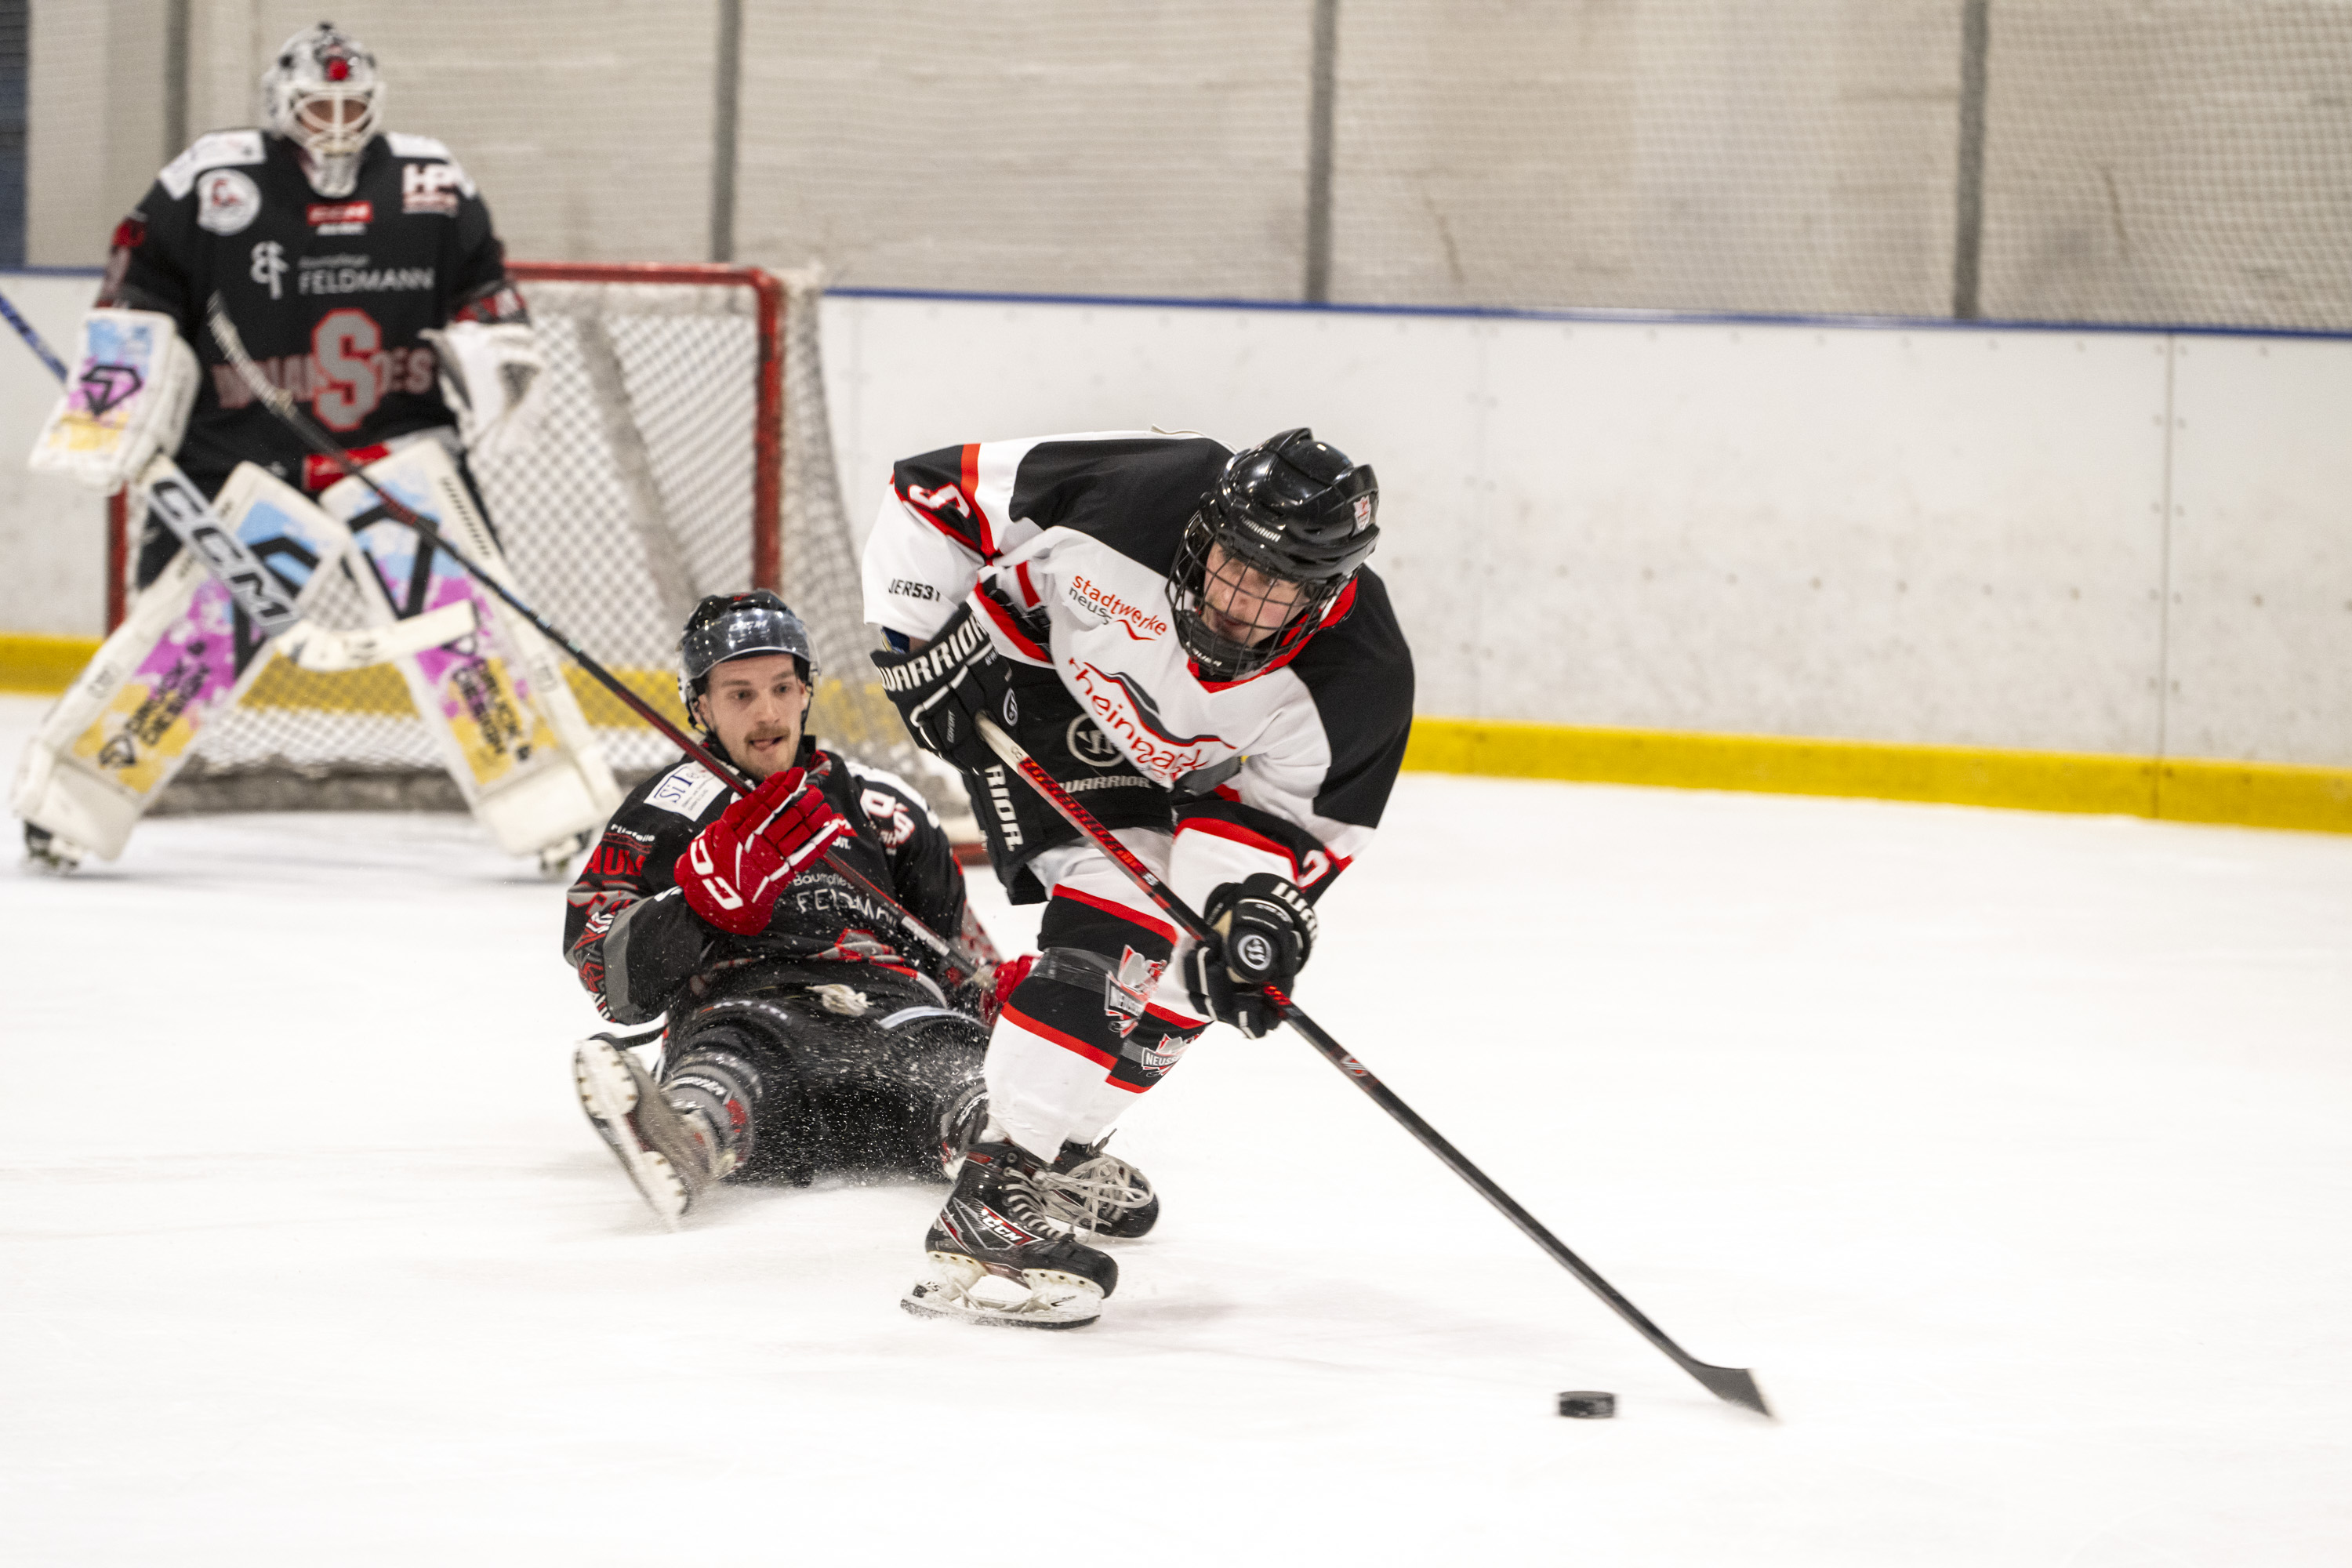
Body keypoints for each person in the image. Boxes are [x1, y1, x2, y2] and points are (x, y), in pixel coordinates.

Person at [862, 427, 1414, 1328]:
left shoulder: (1360, 682)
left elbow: (1273, 835)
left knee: (1202, 961)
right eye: (1234, 563)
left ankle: (1059, 1147)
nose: (1238, 601)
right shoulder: (1140, 489)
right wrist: (913, 646)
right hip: (1021, 679)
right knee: (1126, 904)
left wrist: (1248, 926)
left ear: (1324, 595)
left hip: (1159, 765)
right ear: (1205, 529)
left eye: (1275, 588)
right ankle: (993, 1191)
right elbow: (931, 491)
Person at [22, 20, 547, 869]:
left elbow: (484, 283)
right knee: (184, 638)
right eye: (317, 103)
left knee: (467, 627)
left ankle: (548, 801)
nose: (335, 119)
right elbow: (137, 282)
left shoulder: (430, 180)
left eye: (351, 103)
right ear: (280, 104)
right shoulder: (211, 177)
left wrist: (497, 346)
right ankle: (70, 812)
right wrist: (118, 389)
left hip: (391, 452)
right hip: (242, 455)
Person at [564, 591, 1156, 1236]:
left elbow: (957, 949)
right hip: (749, 1006)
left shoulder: (882, 803)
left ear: (806, 690)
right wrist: (696, 907)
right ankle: (684, 1136)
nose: (767, 713)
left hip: (896, 1014)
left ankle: (1025, 1158)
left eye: (782, 687)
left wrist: (993, 1001)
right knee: (729, 1059)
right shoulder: (671, 808)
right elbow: (605, 971)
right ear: (699, 706)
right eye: (739, 694)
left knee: (954, 1062)